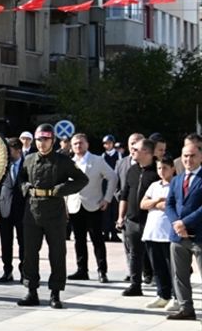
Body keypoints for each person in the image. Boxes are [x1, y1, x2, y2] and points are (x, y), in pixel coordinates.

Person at [18, 124, 89, 309]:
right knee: (29, 254)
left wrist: (62, 189)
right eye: (39, 140)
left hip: (54, 213)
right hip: (32, 212)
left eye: (46, 139)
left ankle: (55, 293)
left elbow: (82, 179)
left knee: (57, 254)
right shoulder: (29, 159)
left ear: (53, 140)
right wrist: (26, 187)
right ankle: (31, 291)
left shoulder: (63, 161)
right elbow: (21, 178)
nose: (42, 143)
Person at [65, 133, 116, 284]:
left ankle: (102, 271)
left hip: (94, 205)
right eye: (75, 143)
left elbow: (112, 177)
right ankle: (82, 270)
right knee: (79, 240)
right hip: (75, 205)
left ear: (87, 144)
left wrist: (107, 198)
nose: (78, 146)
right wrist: (65, 205)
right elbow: (65, 185)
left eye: (81, 143)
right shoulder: (69, 162)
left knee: (97, 239)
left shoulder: (97, 160)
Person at [116, 139, 159, 298]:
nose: (132, 151)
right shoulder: (132, 170)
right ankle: (135, 285)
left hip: (152, 220)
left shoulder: (158, 170)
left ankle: (163, 288)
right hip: (132, 221)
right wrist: (121, 217)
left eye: (136, 149)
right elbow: (124, 195)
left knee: (156, 255)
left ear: (146, 152)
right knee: (135, 254)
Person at [163, 137, 200, 321]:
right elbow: (169, 204)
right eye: (185, 156)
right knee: (179, 275)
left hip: (199, 235)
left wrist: (185, 223)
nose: (188, 159)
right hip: (178, 236)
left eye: (192, 156)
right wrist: (177, 224)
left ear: (200, 156)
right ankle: (186, 308)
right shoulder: (177, 179)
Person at [0, 138, 26, 284]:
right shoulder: (3, 167)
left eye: (9, 150)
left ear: (18, 150)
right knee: (5, 243)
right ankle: (7, 271)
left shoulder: (27, 165)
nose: (6, 153)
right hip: (4, 210)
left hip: (23, 211)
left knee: (24, 243)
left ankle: (24, 272)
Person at [141, 156, 176, 309]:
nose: (161, 171)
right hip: (152, 232)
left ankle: (177, 296)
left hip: (168, 233)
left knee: (172, 268)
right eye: (159, 168)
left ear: (172, 169)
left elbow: (171, 205)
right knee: (158, 267)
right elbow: (143, 204)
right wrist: (156, 202)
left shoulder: (176, 184)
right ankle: (162, 295)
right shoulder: (154, 185)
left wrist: (160, 204)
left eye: (165, 168)